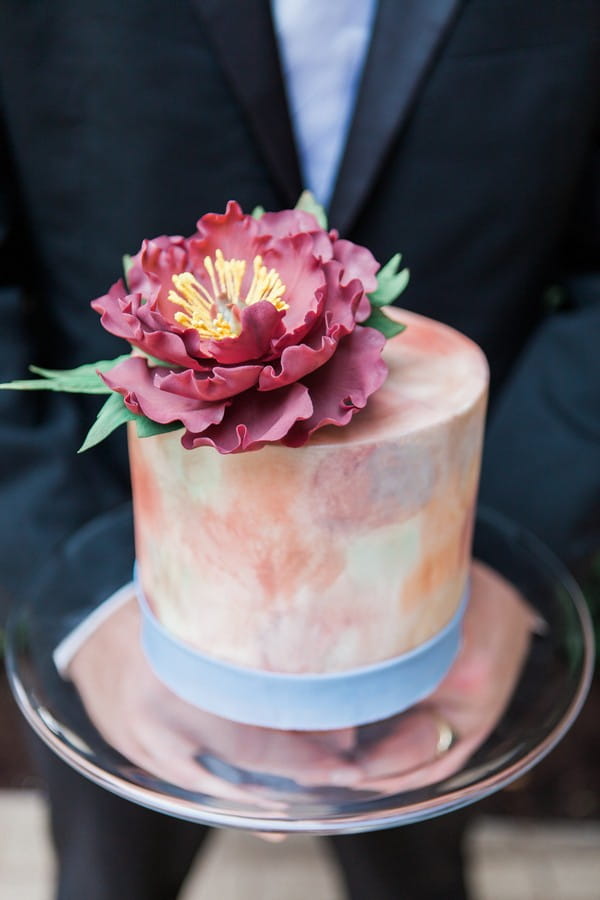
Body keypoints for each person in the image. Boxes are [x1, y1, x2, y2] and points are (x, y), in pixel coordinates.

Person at [0, 1, 598, 898]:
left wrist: (496, 555)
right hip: (114, 579)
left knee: (417, 877)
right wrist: (83, 607)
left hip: (445, 603)